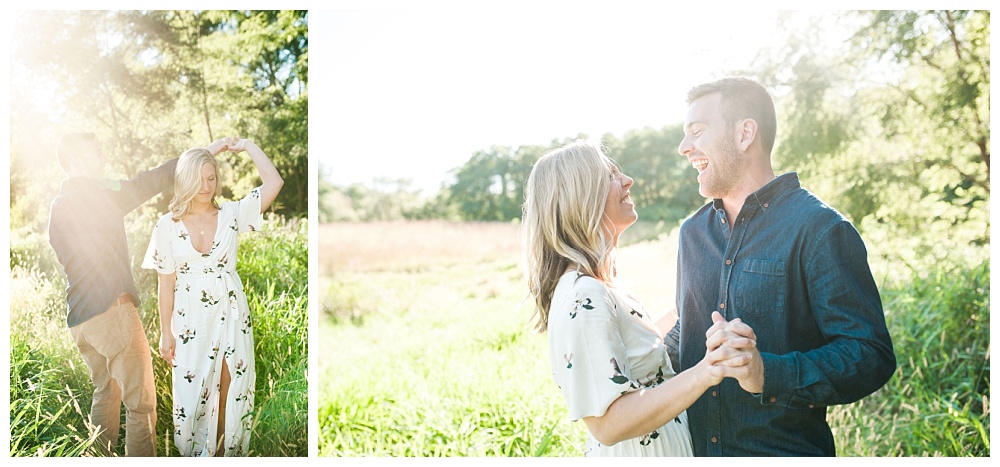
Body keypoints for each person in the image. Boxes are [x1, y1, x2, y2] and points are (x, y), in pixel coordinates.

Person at [666, 76, 897, 456]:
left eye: (697, 131)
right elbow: (688, 328)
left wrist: (766, 373)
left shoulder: (820, 229)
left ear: (745, 133)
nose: (684, 147)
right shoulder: (691, 233)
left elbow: (869, 354)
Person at [521, 139, 755, 456]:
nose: (628, 180)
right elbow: (608, 425)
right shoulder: (583, 295)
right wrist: (706, 372)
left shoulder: (601, 285)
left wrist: (697, 298)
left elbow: (640, 355)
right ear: (581, 195)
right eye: (610, 176)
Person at [48, 132, 227, 456]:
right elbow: (151, 180)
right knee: (141, 406)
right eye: (95, 153)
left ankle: (97, 457)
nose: (102, 158)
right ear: (75, 160)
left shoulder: (57, 207)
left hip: (81, 322)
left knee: (106, 392)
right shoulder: (99, 195)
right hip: (112, 313)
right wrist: (202, 153)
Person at [142, 137, 282, 456]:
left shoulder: (233, 214)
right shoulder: (166, 225)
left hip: (231, 312)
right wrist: (166, 333)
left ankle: (224, 455)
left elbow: (274, 182)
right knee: (193, 394)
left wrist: (246, 146)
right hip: (190, 320)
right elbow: (166, 284)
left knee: (230, 388)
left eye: (211, 177)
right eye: (198, 178)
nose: (206, 186)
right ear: (184, 180)